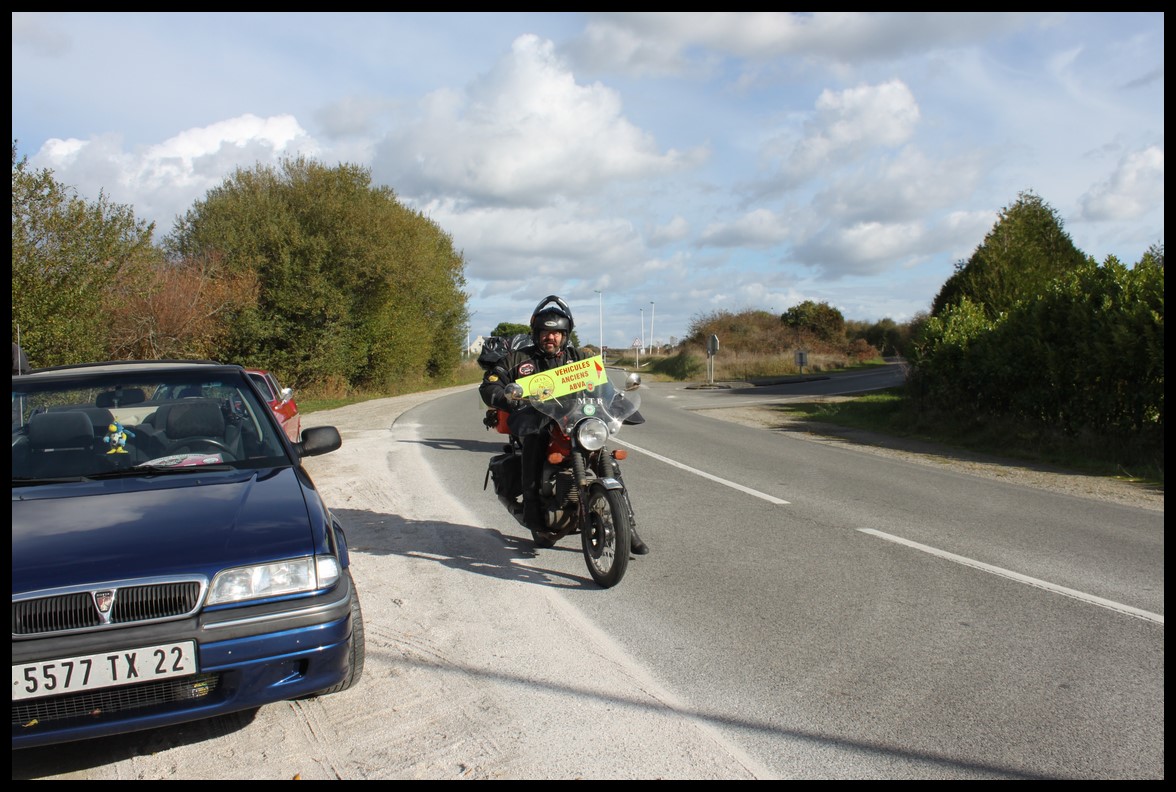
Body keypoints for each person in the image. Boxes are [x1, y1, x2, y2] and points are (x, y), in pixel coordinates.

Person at [480, 295, 649, 555]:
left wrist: (616, 399)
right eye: (545, 332)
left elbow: (603, 386)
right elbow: (491, 382)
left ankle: (629, 528)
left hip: (576, 422)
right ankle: (535, 515)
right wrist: (504, 396)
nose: (551, 338)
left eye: (557, 333)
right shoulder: (517, 360)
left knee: (608, 462)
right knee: (533, 450)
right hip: (535, 423)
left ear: (566, 334)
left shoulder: (580, 358)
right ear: (536, 333)